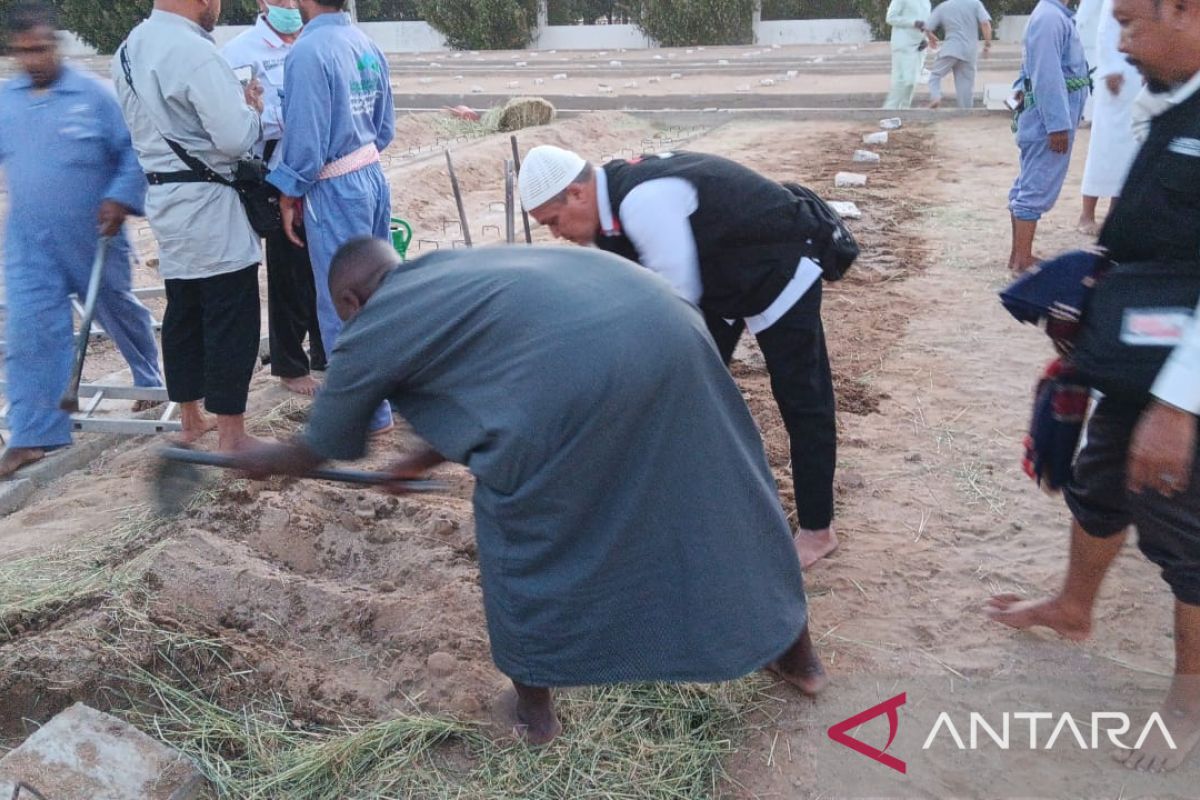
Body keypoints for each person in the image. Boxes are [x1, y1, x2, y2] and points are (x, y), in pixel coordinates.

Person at [229, 239, 828, 745]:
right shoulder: (451, 270)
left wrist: (260, 457)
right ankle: (799, 660)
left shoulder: (374, 323)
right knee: (723, 497)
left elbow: (320, 443)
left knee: (521, 536)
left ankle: (533, 716)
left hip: (587, 373)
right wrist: (419, 457)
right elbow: (509, 360)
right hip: (669, 327)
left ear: (350, 302)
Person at [987, 0, 1200, 771]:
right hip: (1143, 360)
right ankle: (1074, 607)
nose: (1123, 40)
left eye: (1136, 22)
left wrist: (1180, 405)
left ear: (1188, 11)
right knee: (1099, 481)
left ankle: (1188, 698)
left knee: (1183, 534)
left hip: (1186, 383)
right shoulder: (1175, 100)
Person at [517, 145, 841, 569]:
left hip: (779, 263)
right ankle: (684, 508)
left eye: (553, 222)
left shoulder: (643, 202)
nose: (556, 235)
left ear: (577, 194)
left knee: (802, 397)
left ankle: (819, 532)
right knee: (682, 398)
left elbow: (675, 311)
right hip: (721, 281)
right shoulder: (607, 213)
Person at [0, 1, 163, 478]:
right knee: (30, 332)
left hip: (94, 236)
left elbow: (134, 153)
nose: (34, 59)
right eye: (23, 52)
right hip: (30, 243)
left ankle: (147, 377)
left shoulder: (95, 97)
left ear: (58, 44)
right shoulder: (6, 103)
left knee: (116, 308)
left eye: (41, 48)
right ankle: (34, 434)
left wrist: (120, 198)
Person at [113, 0, 266, 453]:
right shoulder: (195, 53)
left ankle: (190, 418)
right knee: (230, 312)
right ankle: (233, 434)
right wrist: (251, 109)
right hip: (209, 201)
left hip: (164, 197)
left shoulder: (129, 48)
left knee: (184, 307)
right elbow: (234, 137)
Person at [266, 0, 395, 434]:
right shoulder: (363, 42)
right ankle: (384, 399)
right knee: (376, 293)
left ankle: (361, 414)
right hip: (370, 173)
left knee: (341, 300)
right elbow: (385, 127)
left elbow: (306, 140)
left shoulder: (308, 51)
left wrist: (289, 191)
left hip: (335, 186)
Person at [222, 0, 327, 396]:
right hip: (278, 173)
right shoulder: (239, 54)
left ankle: (324, 351)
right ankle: (289, 362)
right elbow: (238, 119)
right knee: (290, 269)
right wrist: (292, 115)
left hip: (322, 170)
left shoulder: (318, 40)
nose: (289, 4)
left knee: (327, 265)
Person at [1006, 0, 1090, 273]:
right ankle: (1022, 258)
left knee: (1030, 184)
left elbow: (1033, 69)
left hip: (1045, 116)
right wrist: (1057, 125)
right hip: (1047, 122)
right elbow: (1047, 75)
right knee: (1035, 188)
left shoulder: (1054, 16)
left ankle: (1018, 254)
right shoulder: (1050, 18)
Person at [1077, 0, 1142, 235]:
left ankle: (1115, 215)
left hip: (1136, 78)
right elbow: (1105, 31)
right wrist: (1111, 68)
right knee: (1103, 148)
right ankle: (1087, 214)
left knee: (1129, 152)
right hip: (1116, 79)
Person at [925, 0, 993, 109]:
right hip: (969, 51)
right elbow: (985, 23)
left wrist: (930, 36)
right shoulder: (975, 3)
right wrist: (987, 44)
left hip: (951, 49)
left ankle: (936, 97)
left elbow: (927, 27)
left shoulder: (943, 6)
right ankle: (965, 112)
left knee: (935, 76)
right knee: (965, 85)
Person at [884, 0, 933, 109]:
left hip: (919, 46)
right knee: (903, 81)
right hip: (903, 44)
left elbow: (925, 24)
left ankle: (904, 112)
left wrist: (925, 39)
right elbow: (890, 18)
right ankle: (889, 111)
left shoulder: (926, 2)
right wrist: (913, 23)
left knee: (913, 82)